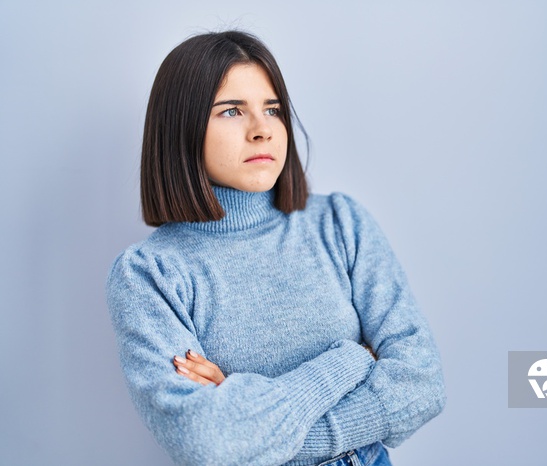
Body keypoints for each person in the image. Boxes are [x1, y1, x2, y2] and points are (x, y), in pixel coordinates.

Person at [106, 30, 445, 466]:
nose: (262, 130)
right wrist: (352, 360)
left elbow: (422, 385)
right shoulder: (150, 274)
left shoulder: (341, 223)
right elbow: (206, 442)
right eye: (231, 111)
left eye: (273, 110)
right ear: (181, 127)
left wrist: (248, 413)